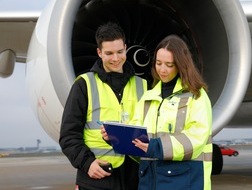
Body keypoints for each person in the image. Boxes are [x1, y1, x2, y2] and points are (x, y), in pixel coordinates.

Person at [59, 22, 147, 190]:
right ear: (99, 52)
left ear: (126, 48)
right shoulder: (84, 84)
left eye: (120, 52)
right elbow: (68, 136)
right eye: (109, 53)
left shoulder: (142, 85)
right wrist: (87, 163)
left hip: (135, 177)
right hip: (97, 175)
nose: (116, 58)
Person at [131, 35, 212, 190]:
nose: (162, 69)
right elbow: (137, 138)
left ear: (181, 65)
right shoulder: (148, 97)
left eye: (169, 65)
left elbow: (195, 138)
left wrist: (156, 147)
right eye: (158, 63)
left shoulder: (196, 96)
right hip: (150, 181)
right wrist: (117, 139)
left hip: (184, 181)